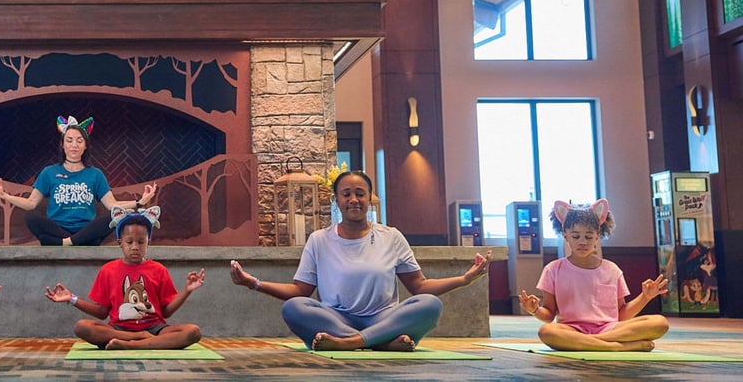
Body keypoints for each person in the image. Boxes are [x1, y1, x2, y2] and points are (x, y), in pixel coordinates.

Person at [230, 170, 491, 352]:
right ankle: (380, 343)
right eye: (346, 194)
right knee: (294, 308)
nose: (353, 199)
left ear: (369, 199)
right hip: (336, 320)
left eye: (360, 193)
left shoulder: (391, 236)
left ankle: (350, 343)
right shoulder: (319, 240)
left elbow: (419, 288)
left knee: (430, 305)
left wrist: (464, 279)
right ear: (337, 201)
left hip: (384, 319)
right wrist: (254, 283)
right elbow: (300, 292)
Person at [519, 199, 669, 352]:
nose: (582, 242)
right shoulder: (553, 269)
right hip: (571, 330)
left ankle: (593, 343)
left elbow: (622, 313)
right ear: (566, 236)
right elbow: (549, 315)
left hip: (610, 329)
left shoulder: (612, 270)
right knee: (547, 332)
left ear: (597, 236)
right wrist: (535, 310)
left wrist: (646, 297)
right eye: (576, 236)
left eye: (589, 237)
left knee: (659, 322)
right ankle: (617, 347)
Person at [45, 206, 205, 350]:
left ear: (148, 242)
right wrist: (71, 299)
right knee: (82, 327)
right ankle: (138, 339)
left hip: (154, 329)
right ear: (120, 243)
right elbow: (102, 313)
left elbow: (165, 312)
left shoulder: (159, 270)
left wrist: (186, 290)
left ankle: (132, 345)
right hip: (118, 329)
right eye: (130, 242)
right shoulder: (108, 270)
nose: (135, 247)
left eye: (141, 242)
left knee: (193, 332)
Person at [0, 115, 158, 246]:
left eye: (79, 141)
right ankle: (80, 242)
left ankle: (64, 243)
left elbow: (112, 205)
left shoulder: (95, 174)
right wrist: (4, 195)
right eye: (69, 140)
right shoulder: (49, 172)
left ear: (85, 146)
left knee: (114, 216)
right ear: (63, 145)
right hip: (57, 228)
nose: (74, 145)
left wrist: (139, 202)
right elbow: (31, 204)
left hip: (85, 229)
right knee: (31, 216)